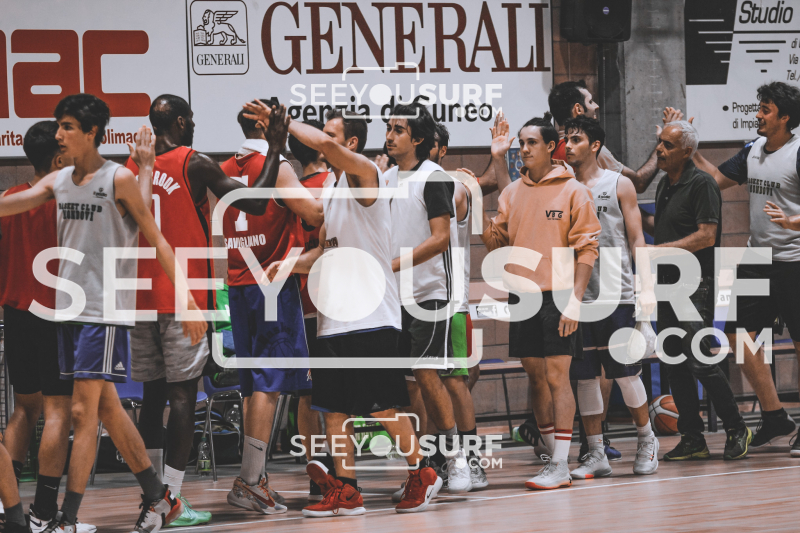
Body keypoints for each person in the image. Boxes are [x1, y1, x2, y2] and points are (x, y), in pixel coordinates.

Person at [0, 93, 207, 533]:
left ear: (91, 132)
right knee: (108, 410)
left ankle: (63, 518)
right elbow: (15, 202)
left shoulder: (118, 177)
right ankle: (159, 497)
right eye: (58, 126)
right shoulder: (60, 181)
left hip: (104, 311)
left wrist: (188, 300)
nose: (59, 134)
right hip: (67, 313)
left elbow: (156, 238)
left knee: (80, 413)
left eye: (67, 126)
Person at [250, 103, 440, 516]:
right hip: (334, 318)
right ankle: (348, 491)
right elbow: (325, 250)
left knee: (382, 406)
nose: (323, 140)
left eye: (332, 135)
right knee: (332, 409)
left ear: (351, 143)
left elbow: (322, 144)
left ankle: (422, 472)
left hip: (372, 315)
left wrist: (284, 123)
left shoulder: (366, 176)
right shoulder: (333, 192)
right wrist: (289, 264)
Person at [125, 94, 282, 526]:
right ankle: (172, 499)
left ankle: (154, 498)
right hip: (185, 296)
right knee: (182, 396)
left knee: (152, 397)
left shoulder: (132, 165)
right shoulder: (192, 162)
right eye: (190, 119)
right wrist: (277, 146)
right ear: (180, 121)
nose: (194, 126)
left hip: (139, 297)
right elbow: (254, 202)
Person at [482, 112, 601, 490]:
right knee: (536, 378)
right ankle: (553, 458)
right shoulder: (511, 193)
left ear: (551, 147)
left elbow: (587, 249)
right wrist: (477, 212)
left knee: (556, 377)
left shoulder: (574, 190)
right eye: (521, 143)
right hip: (523, 295)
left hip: (560, 294)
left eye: (531, 142)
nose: (524, 148)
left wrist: (575, 302)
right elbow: (497, 244)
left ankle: (562, 464)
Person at [219, 103, 321, 515]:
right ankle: (248, 482)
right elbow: (314, 212)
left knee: (253, 386)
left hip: (239, 283)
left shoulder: (225, 167)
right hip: (272, 283)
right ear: (266, 126)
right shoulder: (277, 167)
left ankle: (255, 478)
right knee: (270, 384)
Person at [691, 82, 800, 456]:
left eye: (766, 109)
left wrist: (792, 222)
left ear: (785, 118)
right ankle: (774, 416)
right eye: (759, 107)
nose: (758, 114)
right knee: (738, 335)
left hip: (794, 261)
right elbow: (714, 180)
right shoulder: (752, 151)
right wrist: (691, 149)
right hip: (757, 259)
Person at [0, 121, 95, 532]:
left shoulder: (8, 199)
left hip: (15, 314)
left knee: (24, 408)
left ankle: (6, 504)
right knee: (57, 411)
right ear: (58, 158)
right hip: (56, 315)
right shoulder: (69, 204)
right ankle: (42, 512)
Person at [561, 116, 659, 478]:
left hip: (617, 293)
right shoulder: (562, 186)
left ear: (595, 145)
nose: (568, 145)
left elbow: (638, 241)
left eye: (576, 139)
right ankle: (596, 452)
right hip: (578, 296)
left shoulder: (619, 183)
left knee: (625, 373)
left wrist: (645, 297)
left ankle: (647, 440)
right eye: (566, 139)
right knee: (585, 378)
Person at [383, 102, 473, 494]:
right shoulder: (384, 178)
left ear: (418, 138)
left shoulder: (434, 178)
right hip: (393, 296)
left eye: (398, 130)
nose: (389, 136)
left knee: (427, 373)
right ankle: (424, 469)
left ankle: (457, 460)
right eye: (388, 128)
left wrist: (392, 264)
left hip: (432, 293)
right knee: (405, 386)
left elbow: (439, 239)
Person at [652, 120, 751, 461]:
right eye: (659, 142)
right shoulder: (665, 183)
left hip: (695, 284)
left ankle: (737, 428)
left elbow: (706, 236)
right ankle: (693, 438)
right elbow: (665, 227)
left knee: (699, 359)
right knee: (674, 362)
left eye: (667, 145)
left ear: (687, 151)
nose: (659, 149)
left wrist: (657, 251)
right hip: (666, 283)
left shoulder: (702, 183)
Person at [287, 119, 333, 500]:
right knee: (337, 393)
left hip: (301, 303)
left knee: (307, 393)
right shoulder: (336, 185)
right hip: (335, 304)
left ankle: (316, 472)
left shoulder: (290, 192)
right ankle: (339, 470)